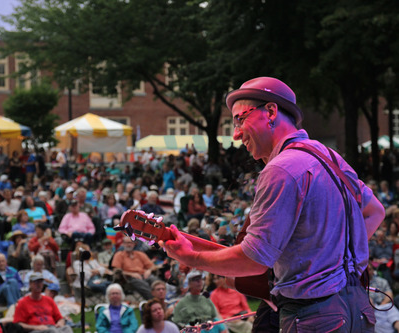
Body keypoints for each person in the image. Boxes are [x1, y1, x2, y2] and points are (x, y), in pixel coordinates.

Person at [160, 77, 386, 332]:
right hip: (358, 309)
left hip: (314, 317)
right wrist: (331, 263)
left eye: (239, 119)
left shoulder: (281, 168)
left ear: (270, 111)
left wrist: (191, 257)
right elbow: (375, 212)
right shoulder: (328, 154)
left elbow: (254, 260)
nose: (235, 134)